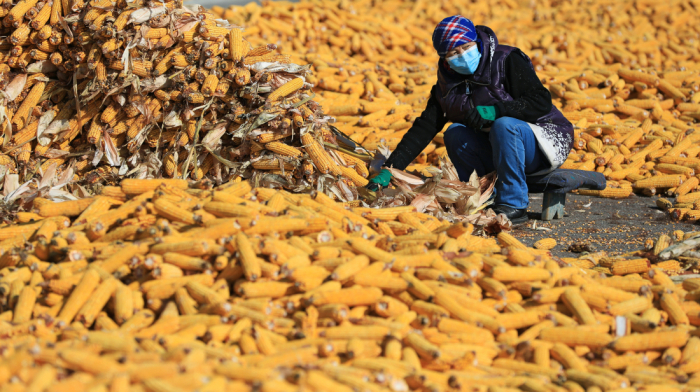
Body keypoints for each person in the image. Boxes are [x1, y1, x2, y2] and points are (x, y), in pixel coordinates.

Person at [367, 16, 574, 224]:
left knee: (503, 125)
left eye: (466, 47)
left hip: (545, 142)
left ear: (476, 41)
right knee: (455, 133)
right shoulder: (445, 87)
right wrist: (391, 168)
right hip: (502, 147)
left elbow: (541, 101)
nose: (463, 56)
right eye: (454, 53)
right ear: (444, 58)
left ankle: (514, 205)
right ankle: (481, 196)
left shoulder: (506, 59)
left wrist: (498, 110)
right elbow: (424, 128)